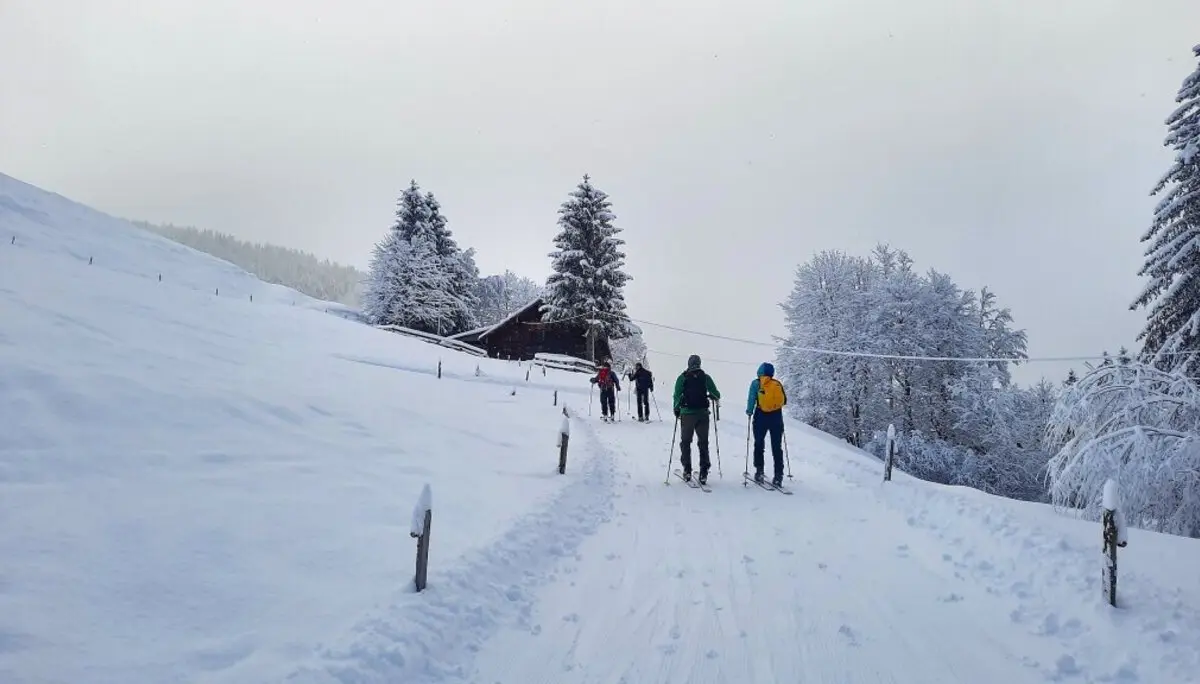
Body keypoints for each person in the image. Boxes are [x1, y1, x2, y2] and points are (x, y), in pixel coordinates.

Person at [672, 354, 721, 484]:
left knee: (686, 442)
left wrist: (676, 410)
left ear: (688, 364)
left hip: (687, 414)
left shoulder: (682, 378)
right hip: (703, 414)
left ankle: (687, 470)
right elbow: (717, 394)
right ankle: (703, 472)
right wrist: (710, 395)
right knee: (703, 443)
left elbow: (676, 395)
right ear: (699, 364)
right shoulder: (705, 377)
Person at [746, 362, 787, 486]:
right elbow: (784, 400)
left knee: (759, 443)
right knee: (777, 447)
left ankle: (759, 471)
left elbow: (751, 398)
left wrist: (749, 411)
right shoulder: (777, 384)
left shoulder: (756, 383)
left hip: (761, 416)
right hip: (776, 416)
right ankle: (778, 476)